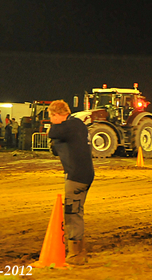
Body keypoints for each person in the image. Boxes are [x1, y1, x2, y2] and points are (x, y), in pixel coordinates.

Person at [47, 99, 95, 265]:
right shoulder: (78, 125)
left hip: (77, 176)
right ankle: (79, 251)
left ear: (57, 115)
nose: (51, 122)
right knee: (76, 212)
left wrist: (53, 135)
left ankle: (76, 255)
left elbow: (52, 133)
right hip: (83, 174)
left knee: (72, 213)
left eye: (51, 117)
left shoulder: (71, 125)